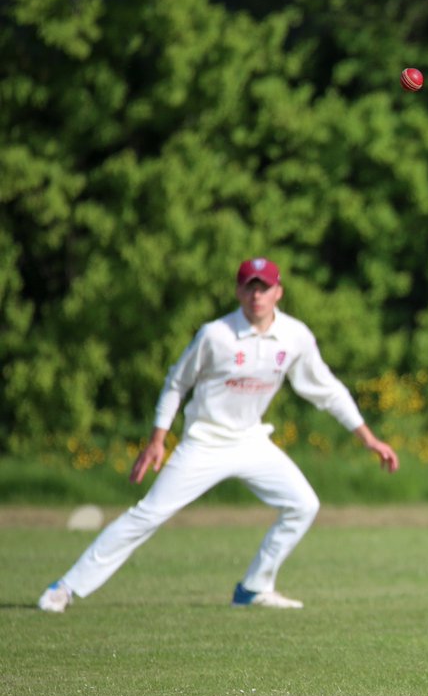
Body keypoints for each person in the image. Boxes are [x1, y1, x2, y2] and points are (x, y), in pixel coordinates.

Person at [38, 258, 399, 613]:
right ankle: (66, 587)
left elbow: (327, 390)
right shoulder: (216, 335)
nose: (256, 295)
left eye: (264, 287)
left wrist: (369, 438)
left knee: (304, 505)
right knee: (148, 515)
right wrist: (157, 438)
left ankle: (254, 588)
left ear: (278, 292)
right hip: (205, 441)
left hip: (251, 440)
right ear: (238, 292)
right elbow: (176, 383)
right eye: (249, 286)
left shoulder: (295, 336)